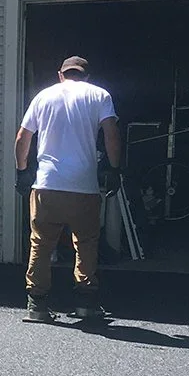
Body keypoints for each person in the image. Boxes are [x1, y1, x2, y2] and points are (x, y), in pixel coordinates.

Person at [14, 56, 122, 323]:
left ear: (61, 74)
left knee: (40, 242)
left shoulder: (42, 96)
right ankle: (86, 302)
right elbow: (111, 134)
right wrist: (114, 168)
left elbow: (22, 137)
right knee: (85, 243)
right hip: (83, 186)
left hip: (47, 184)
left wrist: (22, 171)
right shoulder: (100, 95)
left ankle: (37, 305)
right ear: (86, 76)